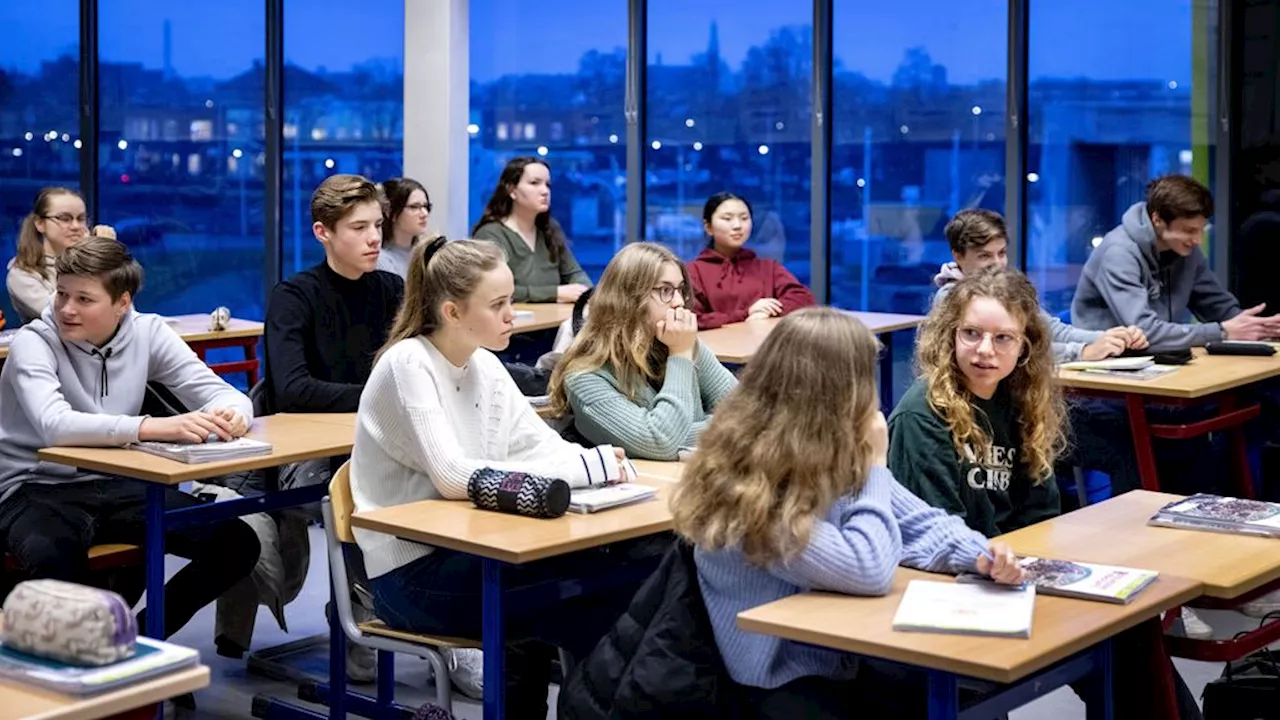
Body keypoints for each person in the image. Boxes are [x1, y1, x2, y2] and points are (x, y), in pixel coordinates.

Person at [671, 307, 1025, 719]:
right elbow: (868, 569)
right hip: (779, 678)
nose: (871, 391)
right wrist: (875, 463)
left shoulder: (824, 445)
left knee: (971, 699)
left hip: (839, 656)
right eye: (862, 377)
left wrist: (980, 554)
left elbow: (921, 522)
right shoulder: (747, 484)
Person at [350, 238, 652, 720]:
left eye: (510, 299)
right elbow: (451, 476)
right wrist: (582, 468)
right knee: (599, 604)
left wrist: (598, 463)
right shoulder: (409, 363)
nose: (513, 314)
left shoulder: (484, 363)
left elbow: (538, 445)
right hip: (412, 576)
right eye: (498, 304)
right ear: (452, 311)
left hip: (474, 551)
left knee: (615, 589)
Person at [888, 266, 1202, 720]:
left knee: (1129, 631)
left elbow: (1041, 516)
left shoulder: (1021, 401)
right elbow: (933, 537)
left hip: (1012, 575)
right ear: (949, 336)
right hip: (954, 585)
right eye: (971, 334)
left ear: (1025, 345)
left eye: (1003, 339)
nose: (984, 351)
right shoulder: (924, 414)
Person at [0, 236, 261, 639]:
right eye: (62, 295)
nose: (67, 309)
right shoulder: (33, 343)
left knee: (236, 542)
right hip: (32, 487)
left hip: (113, 482)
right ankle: (77, 673)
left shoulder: (148, 332)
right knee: (55, 559)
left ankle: (138, 642)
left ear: (122, 303)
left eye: (84, 300)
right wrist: (150, 426)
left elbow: (223, 393)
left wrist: (234, 415)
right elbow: (55, 425)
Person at [261, 174, 406, 682]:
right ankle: (358, 617)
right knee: (364, 496)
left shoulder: (391, 289)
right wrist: (378, 399)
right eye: (359, 227)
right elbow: (294, 390)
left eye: (379, 226)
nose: (374, 238)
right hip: (307, 457)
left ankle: (439, 625)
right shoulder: (295, 296)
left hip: (380, 439)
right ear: (323, 232)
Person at [548, 243, 736, 460]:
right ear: (629, 298)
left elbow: (748, 412)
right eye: (665, 291)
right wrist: (680, 355)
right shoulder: (584, 376)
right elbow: (661, 442)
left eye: (680, 289)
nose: (678, 302)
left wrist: (683, 434)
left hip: (695, 475)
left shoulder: (677, 340)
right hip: (647, 486)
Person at [1073, 174, 1280, 350]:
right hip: (1108, 365)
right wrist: (1223, 331)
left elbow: (1218, 306)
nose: (1198, 240)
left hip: (1161, 358)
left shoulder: (1186, 251)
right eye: (1189, 231)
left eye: (1201, 230)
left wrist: (1257, 327)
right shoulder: (1119, 253)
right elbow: (1145, 330)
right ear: (1157, 220)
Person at [934, 209, 1146, 363]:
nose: (997, 263)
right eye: (984, 256)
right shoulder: (950, 297)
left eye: (1002, 253)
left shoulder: (1006, 288)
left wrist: (1110, 338)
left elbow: (1048, 329)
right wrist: (1081, 352)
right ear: (958, 256)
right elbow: (1012, 351)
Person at [688, 192, 816, 330]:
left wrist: (766, 311)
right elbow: (693, 319)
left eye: (744, 218)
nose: (737, 225)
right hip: (716, 350)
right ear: (708, 227)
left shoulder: (768, 267)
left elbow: (804, 299)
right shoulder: (693, 271)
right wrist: (746, 313)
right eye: (727, 218)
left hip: (765, 348)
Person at [472, 157, 591, 304]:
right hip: (514, 323)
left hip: (555, 321)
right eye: (534, 183)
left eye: (548, 185)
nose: (545, 191)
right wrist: (555, 293)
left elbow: (574, 273)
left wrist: (587, 293)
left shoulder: (550, 229)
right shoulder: (490, 234)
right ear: (512, 190)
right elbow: (491, 289)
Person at [7, 187, 89, 324]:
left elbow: (123, 312)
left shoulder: (92, 262)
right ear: (40, 224)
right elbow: (64, 314)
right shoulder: (22, 272)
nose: (75, 226)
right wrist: (89, 261)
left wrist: (105, 257)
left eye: (81, 219)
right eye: (64, 219)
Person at [377, 177, 441, 279]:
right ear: (390, 212)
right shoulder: (380, 260)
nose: (424, 214)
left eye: (426, 206)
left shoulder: (427, 253)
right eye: (414, 207)